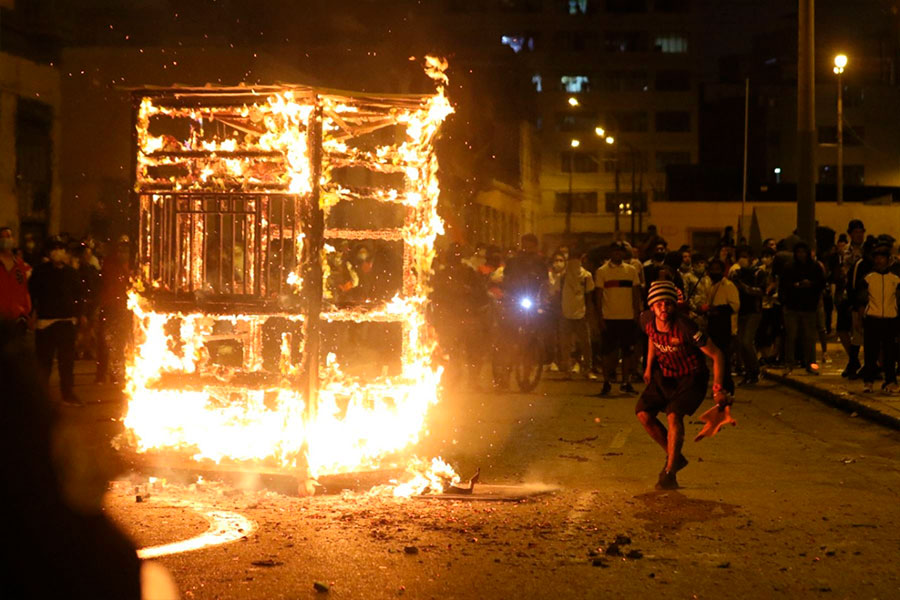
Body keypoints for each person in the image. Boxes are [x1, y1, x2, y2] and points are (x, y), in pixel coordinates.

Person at [636, 281, 728, 490]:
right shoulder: (646, 319)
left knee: (673, 415)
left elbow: (716, 354)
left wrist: (718, 388)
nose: (663, 308)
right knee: (643, 413)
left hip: (691, 377)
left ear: (674, 306)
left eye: (668, 304)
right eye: (658, 304)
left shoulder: (686, 327)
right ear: (652, 306)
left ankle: (670, 472)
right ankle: (675, 457)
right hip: (665, 375)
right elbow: (652, 337)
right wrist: (649, 367)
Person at [28, 240, 83, 404]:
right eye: (54, 249)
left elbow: (78, 296)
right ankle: (42, 395)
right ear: (48, 253)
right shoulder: (39, 272)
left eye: (61, 249)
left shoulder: (72, 273)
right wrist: (33, 313)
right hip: (46, 323)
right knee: (44, 362)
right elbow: (32, 293)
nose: (58, 252)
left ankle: (67, 393)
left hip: (66, 322)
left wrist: (79, 316)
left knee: (67, 362)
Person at [594, 242, 642, 395]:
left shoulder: (631, 271)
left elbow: (636, 293)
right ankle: (607, 381)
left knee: (627, 351)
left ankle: (626, 381)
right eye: (614, 251)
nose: (617, 254)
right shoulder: (602, 272)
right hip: (609, 317)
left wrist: (636, 313)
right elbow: (599, 296)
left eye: (620, 252)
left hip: (627, 317)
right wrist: (600, 317)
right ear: (611, 253)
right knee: (608, 352)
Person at [858, 239, 899, 394]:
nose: (879, 261)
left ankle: (890, 380)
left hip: (890, 319)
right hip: (873, 318)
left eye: (883, 258)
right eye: (877, 258)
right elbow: (861, 300)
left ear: (888, 260)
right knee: (871, 351)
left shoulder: (895, 280)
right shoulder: (868, 278)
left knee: (890, 352)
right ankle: (868, 381)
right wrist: (860, 318)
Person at [779, 241, 825, 374]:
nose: (801, 255)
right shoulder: (790, 267)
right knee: (791, 336)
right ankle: (789, 364)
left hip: (808, 307)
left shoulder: (815, 267)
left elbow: (821, 283)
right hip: (792, 305)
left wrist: (810, 284)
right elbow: (784, 285)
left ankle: (811, 364)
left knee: (809, 337)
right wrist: (793, 288)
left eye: (803, 252)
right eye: (798, 252)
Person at [699, 259, 739, 394]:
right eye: (712, 269)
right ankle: (720, 386)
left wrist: (715, 309)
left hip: (723, 324)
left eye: (717, 269)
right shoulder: (712, 286)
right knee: (716, 357)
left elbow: (735, 305)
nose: (714, 272)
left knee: (723, 357)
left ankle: (727, 387)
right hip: (713, 324)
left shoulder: (727, 285)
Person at [558, 252, 596, 379]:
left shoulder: (586, 276)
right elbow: (558, 294)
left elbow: (589, 297)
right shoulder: (562, 276)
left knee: (585, 343)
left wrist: (589, 314)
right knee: (566, 344)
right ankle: (567, 370)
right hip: (565, 313)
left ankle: (587, 369)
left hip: (581, 313)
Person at [836, 220, 867, 378]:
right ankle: (853, 360)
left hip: (863, 293)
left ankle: (858, 362)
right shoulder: (845, 250)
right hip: (849, 292)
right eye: (855, 232)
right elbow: (843, 271)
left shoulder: (867, 250)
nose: (859, 235)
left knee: (860, 329)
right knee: (842, 328)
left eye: (861, 232)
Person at [731, 247, 765, 385]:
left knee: (747, 341)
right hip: (741, 310)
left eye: (745, 256)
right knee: (741, 344)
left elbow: (760, 291)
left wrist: (743, 286)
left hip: (754, 311)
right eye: (741, 256)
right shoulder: (737, 273)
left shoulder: (759, 273)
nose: (743, 259)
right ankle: (749, 372)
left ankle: (755, 370)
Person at [0, 227, 32, 336]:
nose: (5, 240)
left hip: (17, 318)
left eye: (8, 236)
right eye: (2, 237)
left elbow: (24, 289)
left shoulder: (20, 265)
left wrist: (26, 312)